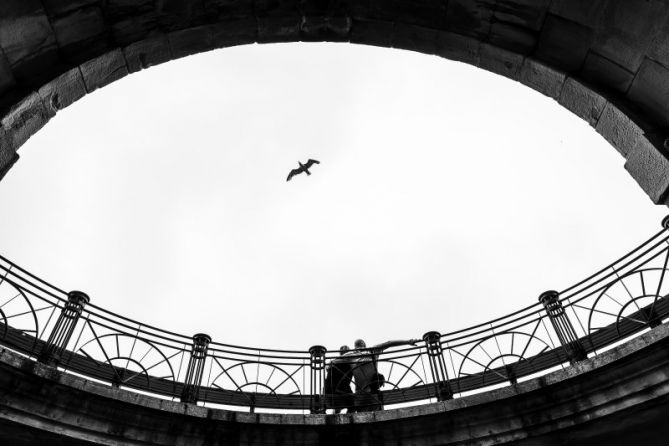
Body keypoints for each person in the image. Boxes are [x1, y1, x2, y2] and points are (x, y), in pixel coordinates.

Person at [346, 338, 420, 412]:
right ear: (364, 345)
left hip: (361, 395)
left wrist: (408, 342)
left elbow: (335, 361)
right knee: (378, 416)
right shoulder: (372, 350)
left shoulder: (350, 355)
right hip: (372, 394)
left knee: (363, 419)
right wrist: (408, 341)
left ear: (354, 347)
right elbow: (389, 343)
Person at [323, 345, 354, 413]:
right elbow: (344, 383)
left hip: (327, 393)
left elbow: (327, 369)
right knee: (353, 403)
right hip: (339, 391)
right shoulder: (348, 364)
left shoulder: (333, 362)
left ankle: (336, 413)